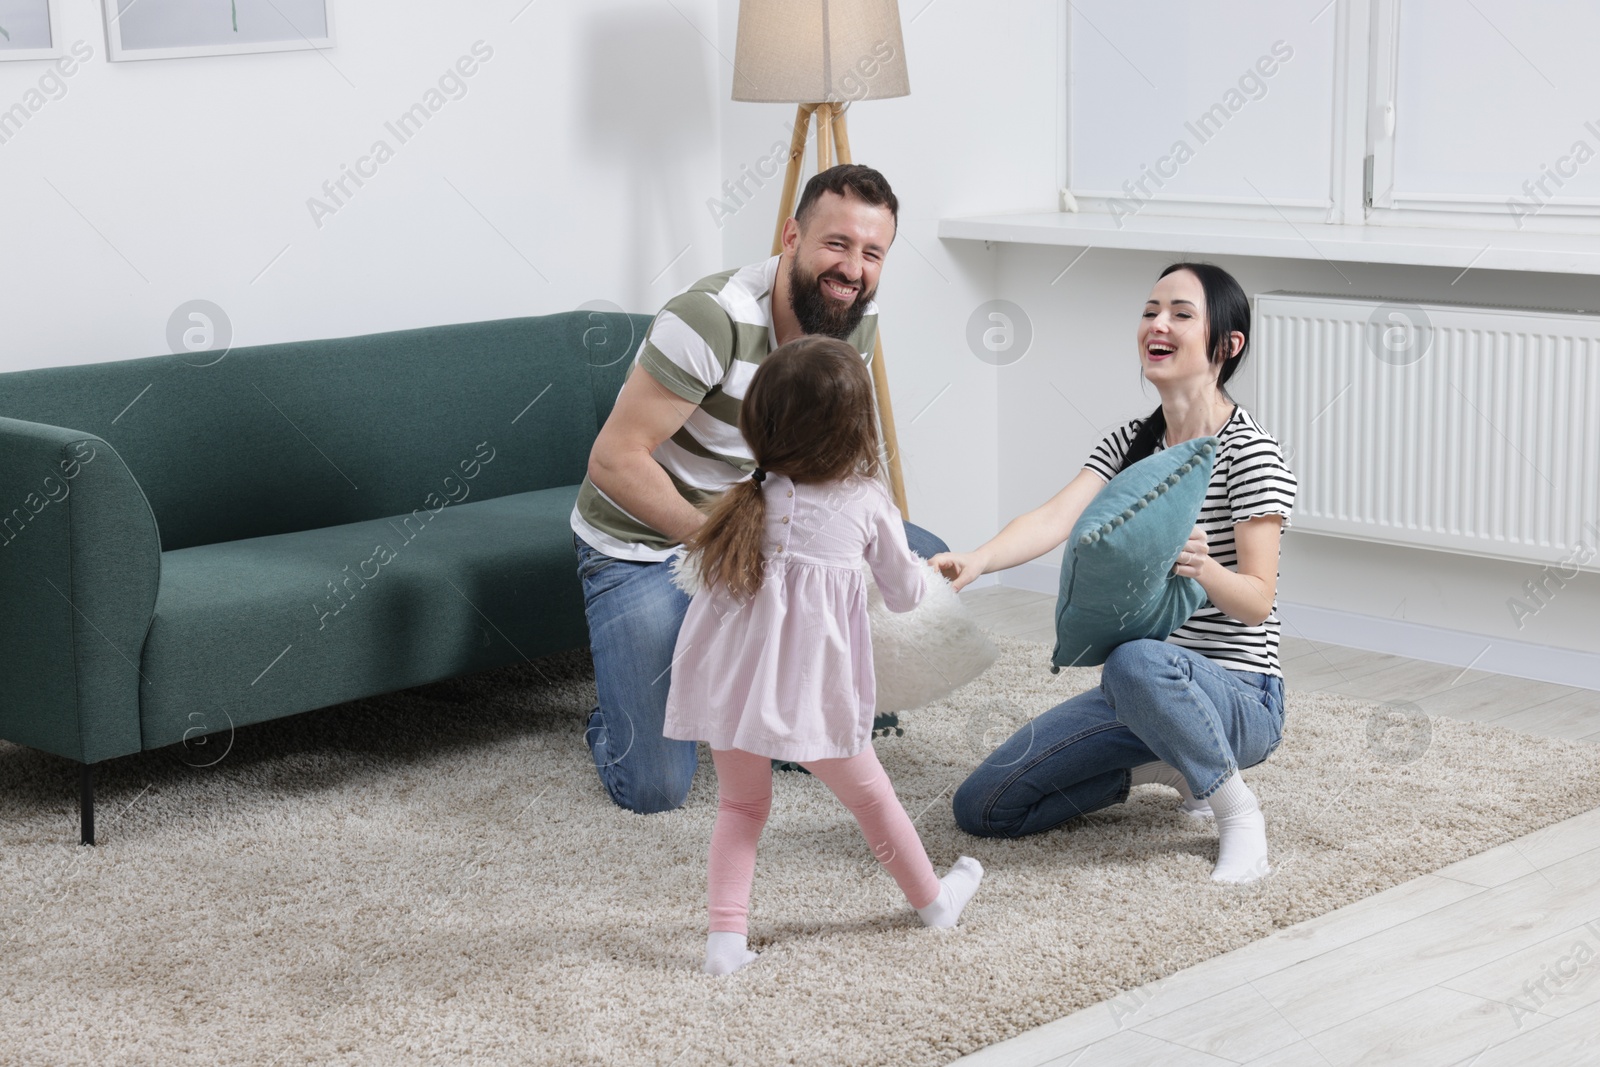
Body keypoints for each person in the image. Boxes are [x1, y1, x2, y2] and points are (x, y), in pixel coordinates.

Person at [571, 164, 948, 816]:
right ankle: (617, 717)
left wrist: (870, 537)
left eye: (872, 253)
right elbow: (613, 462)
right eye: (837, 243)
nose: (852, 268)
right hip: (646, 541)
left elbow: (831, 454)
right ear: (792, 236)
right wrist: (730, 551)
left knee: (920, 551)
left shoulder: (853, 317)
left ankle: (743, 689)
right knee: (655, 788)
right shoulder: (711, 320)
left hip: (760, 528)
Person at [932, 262, 1297, 884]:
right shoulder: (1132, 443)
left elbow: (1258, 603)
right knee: (984, 807)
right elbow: (1054, 517)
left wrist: (1204, 569)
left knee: (1132, 658)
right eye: (1151, 310)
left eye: (1182, 314)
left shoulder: (1249, 451)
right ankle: (1168, 765)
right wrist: (978, 560)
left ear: (1227, 345)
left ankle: (1237, 813)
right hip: (1142, 695)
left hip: (1241, 697)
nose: (1158, 325)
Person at [663, 336, 982, 975]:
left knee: (740, 807)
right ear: (855, 429)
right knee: (872, 799)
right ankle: (934, 902)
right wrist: (931, 573)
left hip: (731, 689)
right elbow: (902, 595)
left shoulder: (745, 498)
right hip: (811, 692)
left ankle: (725, 942)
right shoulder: (867, 502)